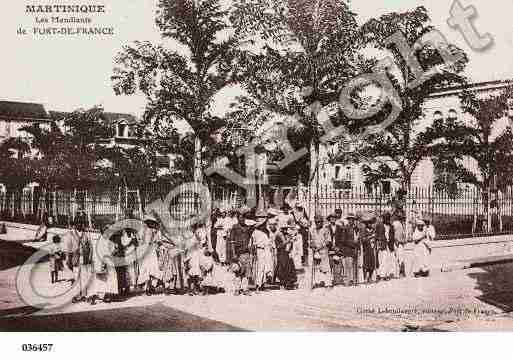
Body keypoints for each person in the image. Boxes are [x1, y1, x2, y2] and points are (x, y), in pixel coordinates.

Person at [250, 210, 275, 292]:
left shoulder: (267, 232)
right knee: (259, 268)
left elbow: (270, 242)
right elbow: (253, 243)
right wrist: (253, 253)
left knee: (266, 267)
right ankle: (258, 285)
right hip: (259, 250)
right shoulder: (255, 232)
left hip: (267, 250)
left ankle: (263, 284)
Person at [138, 214, 163, 295]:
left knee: (152, 268)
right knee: (148, 269)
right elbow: (141, 240)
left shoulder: (153, 231)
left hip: (151, 250)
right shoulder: (144, 230)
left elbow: (157, 241)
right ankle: (148, 287)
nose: (150, 224)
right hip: (147, 251)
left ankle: (150, 287)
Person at [230, 211, 253, 295]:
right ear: (238, 219)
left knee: (246, 272)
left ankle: (245, 289)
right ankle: (237, 289)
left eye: (243, 218)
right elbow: (232, 242)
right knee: (238, 271)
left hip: (246, 252)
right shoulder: (234, 228)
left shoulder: (247, 228)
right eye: (240, 218)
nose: (242, 219)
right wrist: (233, 254)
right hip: (238, 252)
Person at [309, 214, 333, 288]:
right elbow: (311, 240)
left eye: (319, 222)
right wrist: (312, 246)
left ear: (322, 222)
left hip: (323, 251)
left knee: (325, 267)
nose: (318, 223)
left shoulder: (326, 230)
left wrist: (321, 246)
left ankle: (328, 283)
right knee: (317, 267)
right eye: (316, 222)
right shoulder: (313, 230)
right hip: (316, 251)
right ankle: (318, 282)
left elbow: (328, 241)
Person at [336, 213, 359, 286]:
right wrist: (352, 243)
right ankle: (347, 281)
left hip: (354, 249)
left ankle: (353, 280)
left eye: (353, 219)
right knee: (348, 265)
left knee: (354, 265)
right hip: (348, 249)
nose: (351, 221)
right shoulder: (345, 229)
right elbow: (343, 240)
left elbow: (358, 239)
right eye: (350, 219)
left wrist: (357, 245)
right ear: (348, 220)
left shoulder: (356, 228)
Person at [275, 219, 297, 289]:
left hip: (287, 253)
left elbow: (291, 244)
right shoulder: (278, 235)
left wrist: (290, 248)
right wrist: (286, 242)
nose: (285, 230)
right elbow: (278, 246)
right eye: (283, 228)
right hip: (281, 252)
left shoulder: (287, 235)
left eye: (286, 228)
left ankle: (289, 283)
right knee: (282, 267)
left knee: (289, 267)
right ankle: (283, 282)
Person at [375, 212, 396, 281]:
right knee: (382, 259)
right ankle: (381, 274)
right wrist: (379, 242)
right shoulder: (379, 225)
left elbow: (392, 236)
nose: (387, 219)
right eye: (385, 218)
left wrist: (392, 244)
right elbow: (377, 235)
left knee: (388, 259)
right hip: (382, 244)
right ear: (383, 219)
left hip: (389, 245)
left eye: (388, 218)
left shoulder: (391, 226)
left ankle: (386, 274)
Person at [360, 212, 377, 284]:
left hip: (372, 248)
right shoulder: (364, 230)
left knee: (372, 264)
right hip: (366, 249)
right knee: (366, 264)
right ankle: (365, 278)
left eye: (371, 223)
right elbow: (363, 239)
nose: (370, 224)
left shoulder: (373, 230)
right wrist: (370, 237)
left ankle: (370, 277)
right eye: (368, 223)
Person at [392, 210, 407, 278]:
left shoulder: (402, 224)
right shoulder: (396, 223)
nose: (403, 219)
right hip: (397, 243)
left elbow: (403, 234)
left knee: (401, 258)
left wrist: (404, 241)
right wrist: (395, 240)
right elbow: (393, 233)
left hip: (401, 243)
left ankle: (401, 272)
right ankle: (398, 273)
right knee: (398, 258)